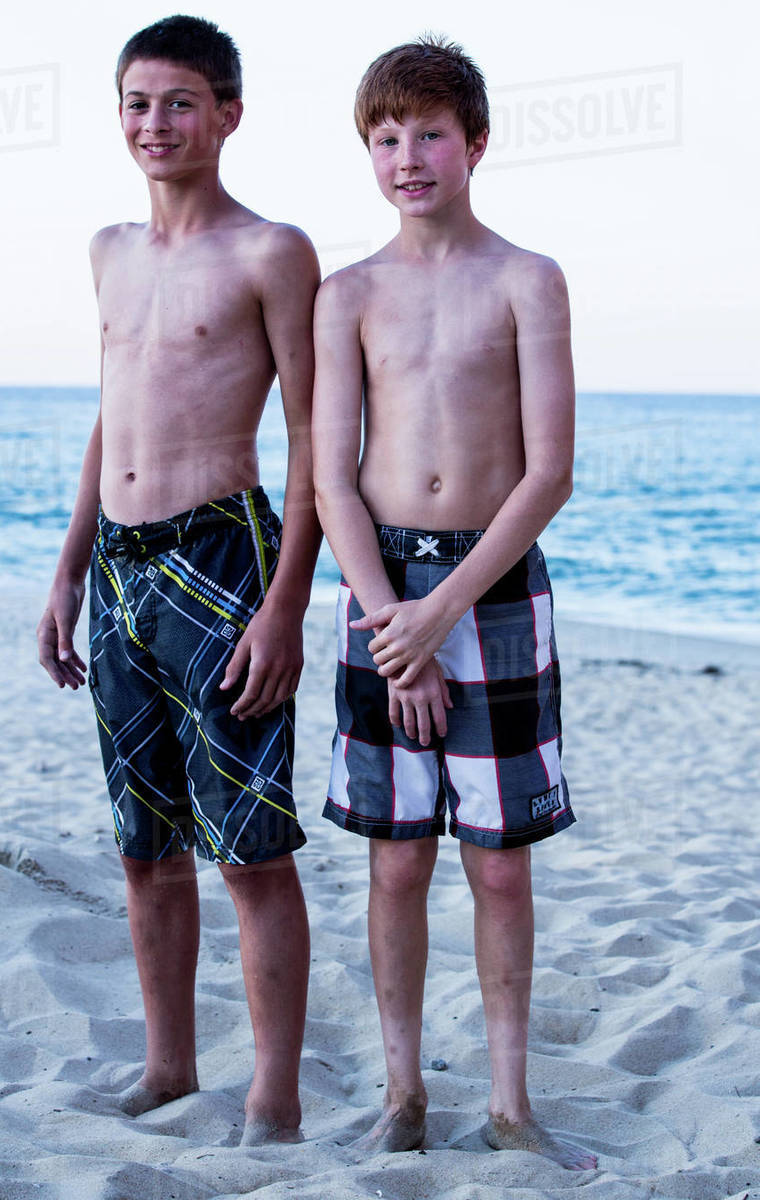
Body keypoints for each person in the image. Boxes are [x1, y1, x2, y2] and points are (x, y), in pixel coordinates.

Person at [312, 36, 596, 1170]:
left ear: (474, 143)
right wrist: (395, 624)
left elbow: (548, 472)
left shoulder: (527, 279)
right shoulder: (349, 293)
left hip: (491, 589)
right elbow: (332, 475)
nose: (407, 156)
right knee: (393, 859)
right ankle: (399, 1093)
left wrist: (445, 617)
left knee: (497, 860)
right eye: (385, 138)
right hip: (381, 589)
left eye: (428, 133)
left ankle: (510, 1103)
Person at [37, 15, 321, 1145]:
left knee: (250, 848)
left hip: (220, 556)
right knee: (143, 844)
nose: (155, 124)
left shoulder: (270, 251)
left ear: (228, 115)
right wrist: (64, 572)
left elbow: (310, 435)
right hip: (116, 560)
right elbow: (113, 413)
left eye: (179, 103)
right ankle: (167, 1066)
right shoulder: (108, 248)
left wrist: (289, 603)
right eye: (137, 103)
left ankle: (275, 1094)